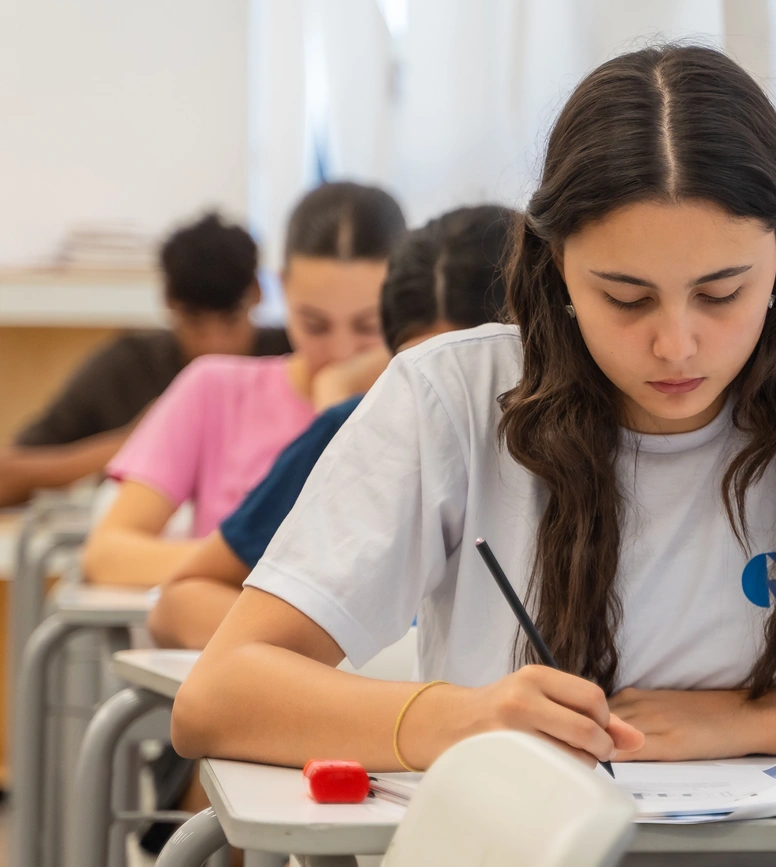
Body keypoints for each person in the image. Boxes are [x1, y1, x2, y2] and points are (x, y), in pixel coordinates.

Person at [172, 45, 776, 776]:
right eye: (625, 297)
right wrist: (461, 716)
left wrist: (740, 718)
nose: (677, 346)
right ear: (556, 262)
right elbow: (218, 696)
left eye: (722, 292)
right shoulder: (453, 397)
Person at [147, 204, 514, 650]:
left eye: (475, 378)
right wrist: (343, 658)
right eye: (419, 375)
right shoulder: (354, 432)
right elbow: (182, 599)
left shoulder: (597, 443)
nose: (449, 408)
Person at [81, 182, 405, 587]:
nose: (340, 350)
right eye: (314, 324)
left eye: (366, 326)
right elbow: (108, 555)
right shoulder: (213, 389)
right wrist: (246, 562)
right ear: (281, 288)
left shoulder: (422, 411)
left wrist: (335, 405)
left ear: (403, 303)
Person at [0, 213, 290, 508]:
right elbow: (7, 476)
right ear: (168, 300)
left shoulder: (291, 358)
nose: (215, 345)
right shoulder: (126, 367)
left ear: (258, 292)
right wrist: (134, 446)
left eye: (230, 322)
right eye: (196, 324)